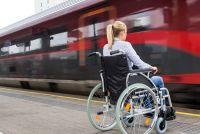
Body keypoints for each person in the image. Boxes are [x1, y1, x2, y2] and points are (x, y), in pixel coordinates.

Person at [103, 21, 164, 88]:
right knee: (158, 80)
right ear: (122, 32)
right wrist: (151, 68)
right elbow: (139, 63)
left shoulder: (105, 47)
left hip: (113, 85)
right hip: (128, 82)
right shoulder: (125, 45)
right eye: (126, 32)